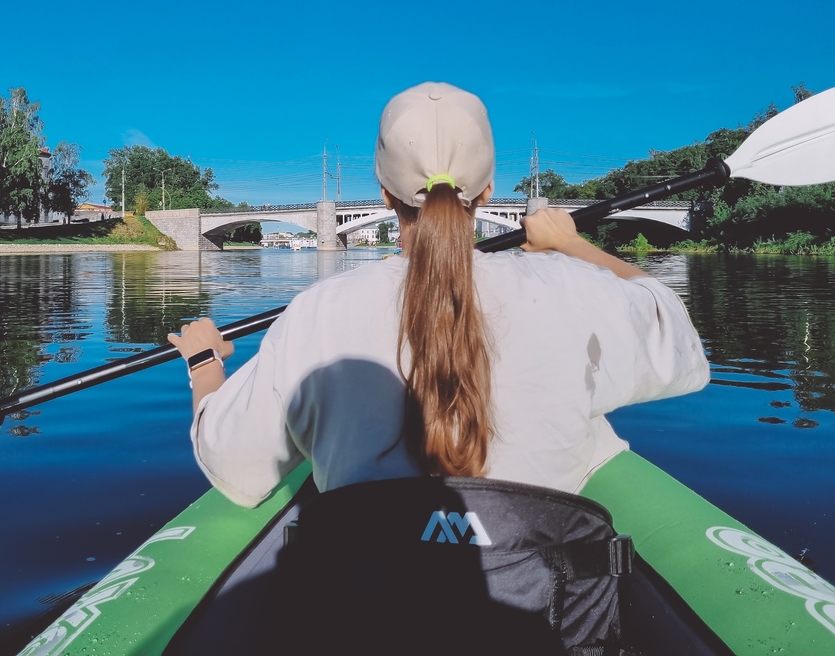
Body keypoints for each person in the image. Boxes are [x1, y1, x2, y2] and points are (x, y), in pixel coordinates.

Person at [168, 81, 710, 508]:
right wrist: (572, 245)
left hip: (370, 589)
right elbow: (675, 335)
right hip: (533, 590)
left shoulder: (317, 310)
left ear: (385, 195)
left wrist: (204, 361)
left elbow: (235, 471)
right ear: (488, 190)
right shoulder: (572, 289)